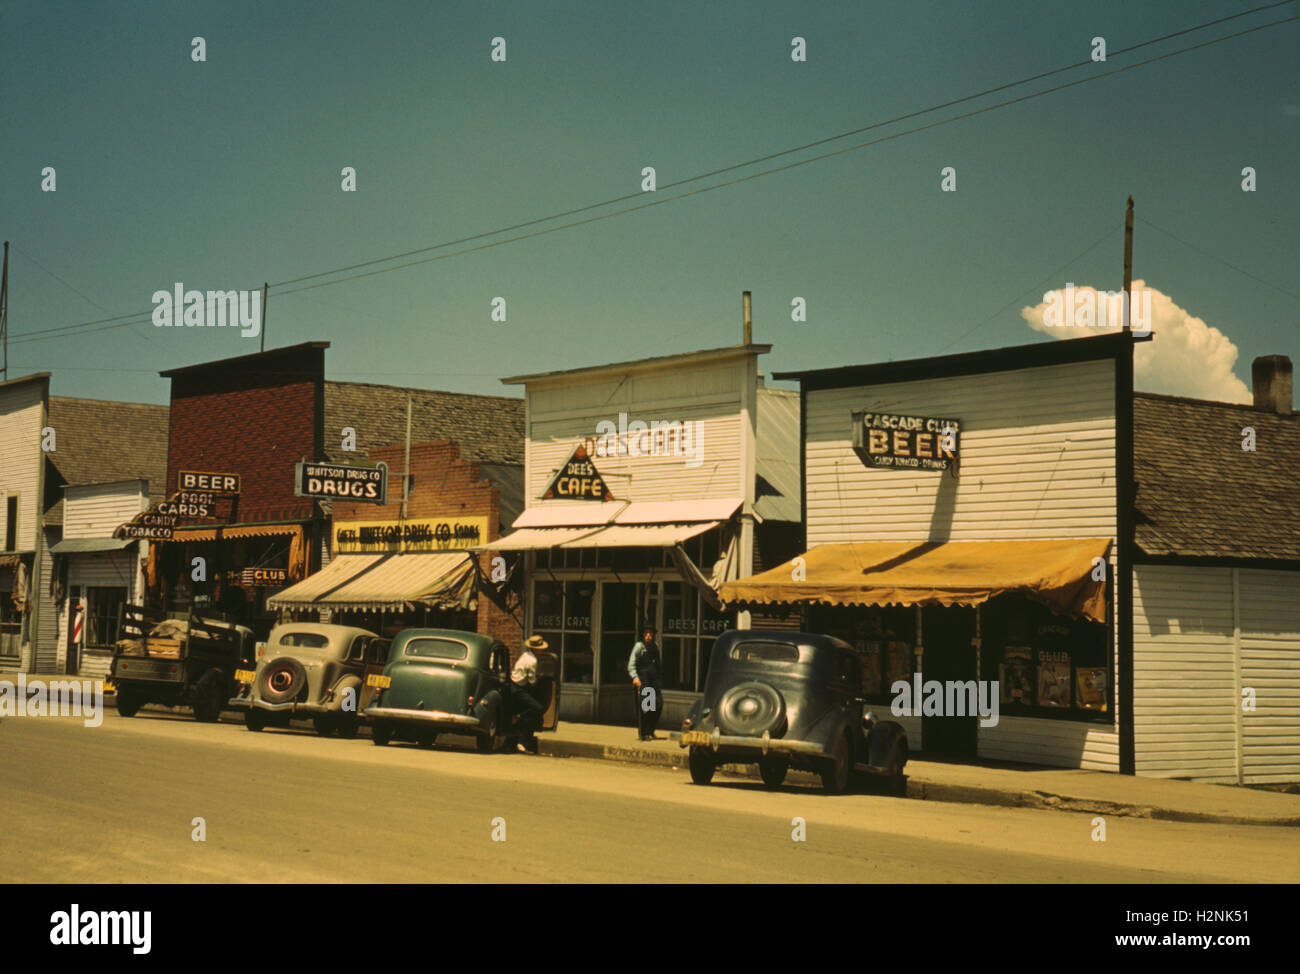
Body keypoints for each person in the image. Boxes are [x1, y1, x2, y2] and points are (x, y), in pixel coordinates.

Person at [510, 635, 548, 753]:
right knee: (537, 709)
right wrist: (540, 679)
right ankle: (522, 740)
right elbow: (532, 683)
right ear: (536, 649)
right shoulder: (533, 661)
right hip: (518, 689)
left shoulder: (525, 655)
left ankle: (519, 737)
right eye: (541, 648)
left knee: (529, 710)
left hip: (514, 686)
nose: (542, 650)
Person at [627, 623, 663, 741]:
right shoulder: (639, 646)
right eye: (646, 633)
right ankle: (644, 732)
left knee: (658, 704)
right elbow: (631, 664)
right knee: (647, 706)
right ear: (643, 635)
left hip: (654, 679)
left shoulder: (655, 646)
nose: (648, 636)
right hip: (644, 678)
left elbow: (658, 664)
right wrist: (635, 677)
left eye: (650, 633)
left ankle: (651, 730)